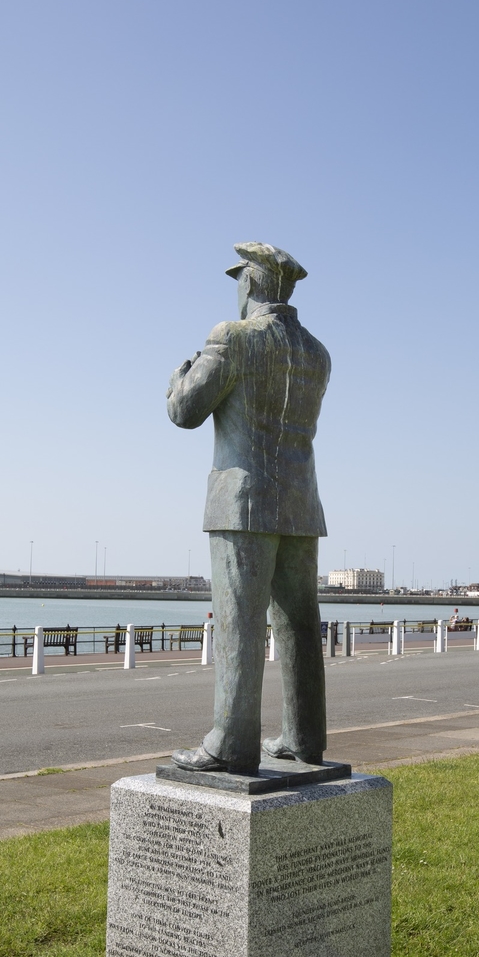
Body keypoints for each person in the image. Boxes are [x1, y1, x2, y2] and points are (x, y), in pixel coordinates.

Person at [166, 243, 330, 775]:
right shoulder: (316, 353)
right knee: (299, 625)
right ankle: (304, 738)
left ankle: (230, 742)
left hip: (243, 504)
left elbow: (187, 411)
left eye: (240, 278)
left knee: (240, 623)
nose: (237, 287)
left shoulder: (232, 338)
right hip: (300, 504)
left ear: (254, 284)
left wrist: (178, 379)